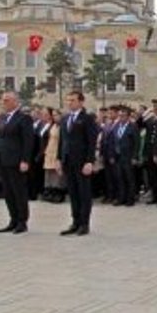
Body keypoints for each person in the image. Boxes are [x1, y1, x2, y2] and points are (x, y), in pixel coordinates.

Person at [0, 91, 36, 234]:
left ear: (15, 102)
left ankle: (22, 221)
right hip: (3, 159)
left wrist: (25, 160)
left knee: (19, 192)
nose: (4, 103)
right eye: (3, 100)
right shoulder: (2, 117)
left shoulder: (23, 118)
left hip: (16, 160)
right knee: (8, 192)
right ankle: (13, 219)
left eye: (7, 100)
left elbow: (28, 141)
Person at [59, 90, 98, 236]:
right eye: (68, 100)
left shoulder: (87, 119)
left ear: (81, 102)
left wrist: (89, 161)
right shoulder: (65, 118)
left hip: (81, 161)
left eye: (73, 100)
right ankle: (75, 222)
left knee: (83, 193)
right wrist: (59, 159)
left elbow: (91, 141)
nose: (69, 103)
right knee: (73, 193)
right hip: (68, 160)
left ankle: (84, 224)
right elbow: (62, 141)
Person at [40, 108, 64, 203]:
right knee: (49, 172)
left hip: (57, 150)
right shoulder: (53, 126)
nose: (54, 117)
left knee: (56, 173)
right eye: (53, 115)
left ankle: (58, 192)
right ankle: (50, 191)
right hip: (50, 150)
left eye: (56, 115)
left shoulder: (62, 126)